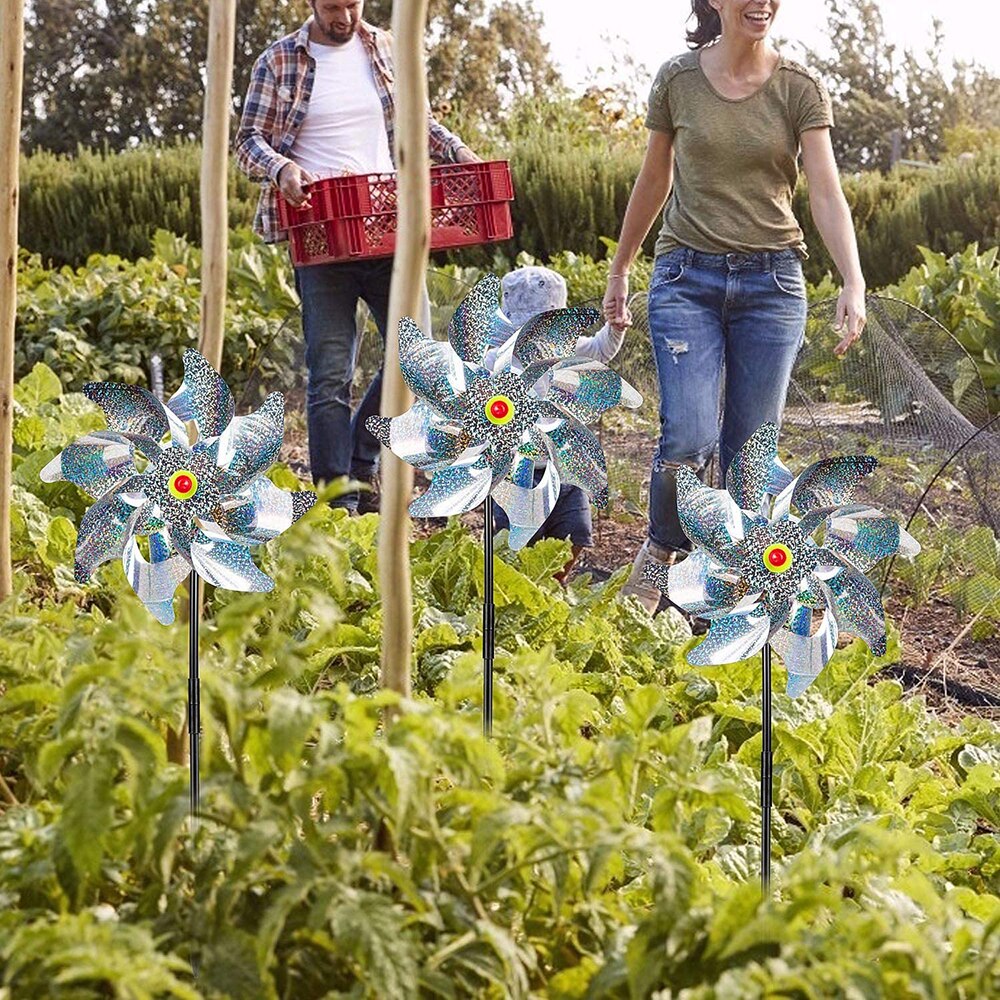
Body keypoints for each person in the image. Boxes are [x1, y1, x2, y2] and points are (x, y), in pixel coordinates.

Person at [604, 0, 866, 613]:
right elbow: (653, 180)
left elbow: (826, 191)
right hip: (685, 276)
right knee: (689, 436)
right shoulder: (678, 79)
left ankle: (730, 582)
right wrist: (620, 267)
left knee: (751, 450)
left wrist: (852, 279)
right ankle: (663, 548)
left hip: (771, 285)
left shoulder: (800, 88)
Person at [235, 0, 480, 511]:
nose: (344, 16)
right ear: (310, 4)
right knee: (330, 373)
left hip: (386, 225)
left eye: (352, 4)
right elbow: (248, 142)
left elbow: (419, 119)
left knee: (418, 357)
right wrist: (281, 169)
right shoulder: (278, 61)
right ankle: (335, 495)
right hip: (321, 233)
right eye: (332, 6)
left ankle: (362, 457)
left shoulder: (388, 47)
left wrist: (456, 150)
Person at [492, 266, 629, 582]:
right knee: (520, 544)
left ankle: (553, 586)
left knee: (574, 534)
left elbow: (601, 348)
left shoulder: (571, 349)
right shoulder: (499, 359)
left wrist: (616, 327)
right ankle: (523, 591)